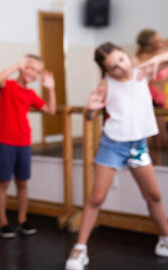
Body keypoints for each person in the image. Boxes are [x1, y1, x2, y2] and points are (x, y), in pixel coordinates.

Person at [65, 42, 168, 270]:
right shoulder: (106, 84)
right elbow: (90, 115)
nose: (120, 68)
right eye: (113, 67)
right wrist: (91, 109)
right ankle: (80, 250)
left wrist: (158, 58)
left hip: (138, 146)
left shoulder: (142, 73)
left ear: (126, 55)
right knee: (96, 198)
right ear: (107, 71)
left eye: (120, 60)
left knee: (154, 196)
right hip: (112, 145)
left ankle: (165, 239)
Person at [0, 54, 56, 238]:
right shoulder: (9, 86)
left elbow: (50, 111)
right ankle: (2, 222)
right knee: (3, 183)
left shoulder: (31, 94)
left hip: (24, 143)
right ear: (22, 68)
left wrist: (51, 89)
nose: (33, 73)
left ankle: (22, 220)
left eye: (37, 71)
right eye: (30, 68)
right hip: (6, 142)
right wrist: (15, 65)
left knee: (22, 183)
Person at [135, 29, 168, 151]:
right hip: (149, 100)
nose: (162, 41)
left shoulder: (162, 55)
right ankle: (151, 165)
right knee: (150, 139)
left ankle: (155, 166)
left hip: (161, 99)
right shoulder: (141, 60)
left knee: (160, 141)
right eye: (158, 40)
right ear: (148, 46)